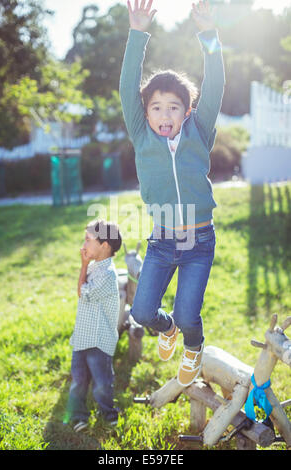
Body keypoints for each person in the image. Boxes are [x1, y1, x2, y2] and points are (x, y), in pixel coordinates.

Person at [119, 0, 225, 386]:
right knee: (143, 312)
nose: (165, 115)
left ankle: (192, 345)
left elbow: (216, 82)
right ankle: (166, 330)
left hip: (199, 241)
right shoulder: (141, 134)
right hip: (162, 241)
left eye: (174, 108)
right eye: (157, 108)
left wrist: (208, 34)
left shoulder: (199, 131)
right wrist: (137, 34)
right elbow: (128, 84)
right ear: (145, 113)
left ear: (188, 111)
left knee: (187, 316)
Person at [64, 219, 122, 432]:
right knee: (78, 380)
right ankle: (79, 416)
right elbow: (82, 292)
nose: (84, 245)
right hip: (83, 336)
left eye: (88, 240)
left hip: (99, 340)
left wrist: (83, 265)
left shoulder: (107, 275)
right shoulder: (97, 268)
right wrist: (86, 266)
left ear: (104, 245)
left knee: (101, 383)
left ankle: (108, 413)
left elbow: (82, 292)